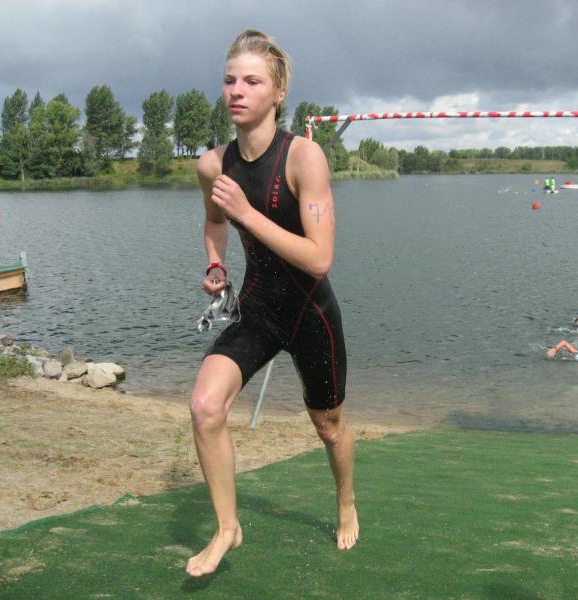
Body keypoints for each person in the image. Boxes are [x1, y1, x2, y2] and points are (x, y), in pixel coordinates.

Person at [186, 30, 357, 578]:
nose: (237, 91)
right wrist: (216, 265)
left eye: (252, 81)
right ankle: (227, 527)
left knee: (329, 426)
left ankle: (346, 500)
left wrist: (248, 213)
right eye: (229, 80)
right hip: (258, 308)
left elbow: (319, 258)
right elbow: (214, 223)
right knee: (205, 406)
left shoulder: (305, 157)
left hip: (311, 312)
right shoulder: (213, 165)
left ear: (278, 92)